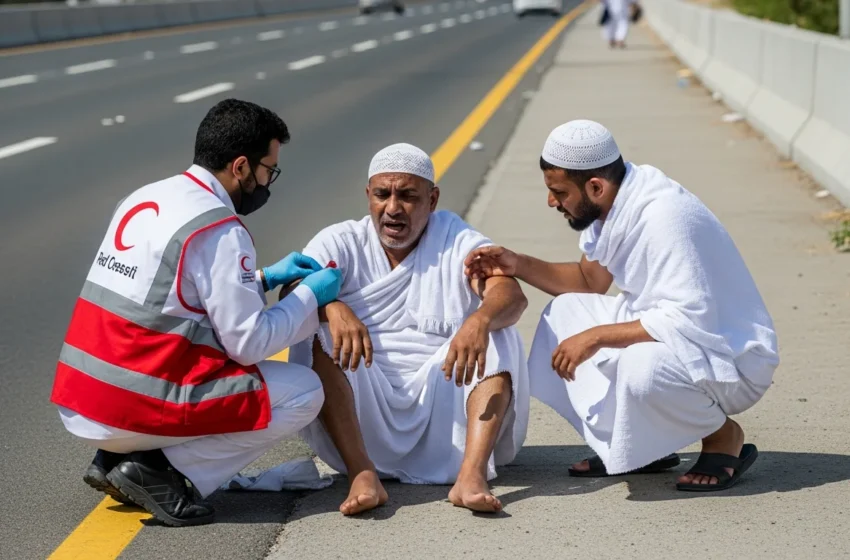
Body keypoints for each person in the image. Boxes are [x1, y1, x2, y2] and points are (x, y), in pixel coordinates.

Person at [49, 98, 343, 527]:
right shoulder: (221, 228)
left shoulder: (146, 196)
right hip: (129, 406)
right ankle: (158, 470)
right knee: (304, 391)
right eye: (267, 169)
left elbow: (171, 294)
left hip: (81, 399)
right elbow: (249, 343)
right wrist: (309, 297)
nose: (267, 182)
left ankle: (115, 456)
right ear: (240, 166)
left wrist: (260, 279)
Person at [465, 120, 779, 491]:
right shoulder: (619, 202)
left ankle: (724, 437)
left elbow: (690, 319)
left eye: (559, 192)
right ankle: (642, 445)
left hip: (730, 357)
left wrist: (597, 337)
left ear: (595, 186)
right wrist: (515, 263)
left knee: (643, 368)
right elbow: (588, 282)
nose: (552, 201)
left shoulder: (665, 216)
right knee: (564, 314)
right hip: (677, 333)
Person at [285, 143, 530, 515]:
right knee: (314, 332)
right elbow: (290, 293)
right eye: (383, 194)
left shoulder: (455, 239)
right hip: (363, 403)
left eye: (408, 196)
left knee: (499, 331)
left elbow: (510, 294)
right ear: (369, 196)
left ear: (432, 199)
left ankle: (471, 474)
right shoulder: (341, 241)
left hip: (443, 399)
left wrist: (479, 319)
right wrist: (329, 306)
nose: (393, 208)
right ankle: (362, 472)